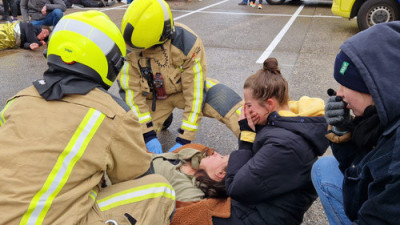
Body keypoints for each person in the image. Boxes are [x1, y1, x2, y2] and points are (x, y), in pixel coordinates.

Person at [0, 10, 175, 225]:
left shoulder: (17, 100)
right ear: (110, 62)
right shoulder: (112, 114)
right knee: (160, 190)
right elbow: (136, 177)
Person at [213, 57, 329, 224]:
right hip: (262, 205)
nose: (244, 111)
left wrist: (246, 135)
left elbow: (236, 188)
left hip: (266, 217)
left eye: (249, 105)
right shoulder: (284, 125)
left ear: (269, 104)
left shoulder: (284, 146)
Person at [119, 0, 243, 154]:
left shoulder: (187, 43)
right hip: (154, 98)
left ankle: (255, 140)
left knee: (227, 102)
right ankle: (162, 120)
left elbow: (195, 94)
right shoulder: (129, 46)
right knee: (132, 142)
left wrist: (184, 140)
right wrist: (148, 135)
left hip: (183, 90)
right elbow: (131, 94)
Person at [311, 21, 400, 225]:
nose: (339, 93)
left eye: (346, 84)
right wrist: (344, 129)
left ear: (375, 87)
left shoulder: (395, 157)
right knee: (323, 167)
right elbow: (360, 167)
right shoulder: (385, 115)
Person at [152, 143, 229, 202]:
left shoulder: (190, 194)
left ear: (220, 174)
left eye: (222, 157)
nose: (215, 153)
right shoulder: (196, 155)